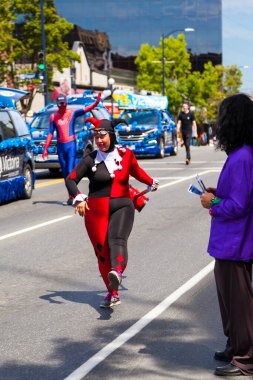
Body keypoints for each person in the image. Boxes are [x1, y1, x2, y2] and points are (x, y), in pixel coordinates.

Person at [65, 117, 159, 308]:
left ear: (112, 135)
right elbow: (70, 180)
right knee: (101, 252)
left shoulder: (126, 155)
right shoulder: (90, 159)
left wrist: (151, 182)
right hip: (96, 210)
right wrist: (79, 198)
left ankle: (116, 271)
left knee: (117, 240)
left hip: (122, 205)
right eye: (96, 136)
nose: (99, 140)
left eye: (103, 136)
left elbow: (137, 172)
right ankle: (112, 292)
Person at [200, 93, 253, 377]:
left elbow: (240, 204)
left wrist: (214, 203)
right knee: (228, 300)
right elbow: (236, 196)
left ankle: (247, 356)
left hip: (238, 241)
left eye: (223, 118)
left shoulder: (243, 156)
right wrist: (218, 193)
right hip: (228, 242)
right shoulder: (240, 154)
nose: (219, 124)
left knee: (240, 303)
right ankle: (235, 346)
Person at [42, 92, 101, 205]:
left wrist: (96, 102)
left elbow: (86, 109)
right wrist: (46, 148)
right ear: (57, 104)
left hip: (70, 144)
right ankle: (71, 195)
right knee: (64, 172)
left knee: (69, 170)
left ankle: (75, 194)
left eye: (64, 104)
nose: (62, 106)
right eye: (60, 104)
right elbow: (50, 133)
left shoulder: (72, 113)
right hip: (60, 146)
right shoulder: (53, 117)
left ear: (67, 103)